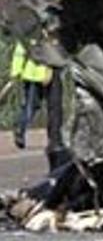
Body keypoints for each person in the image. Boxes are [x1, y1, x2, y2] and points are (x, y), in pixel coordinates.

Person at [9, 41, 65, 169]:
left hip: (49, 73)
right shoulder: (32, 32)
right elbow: (20, 52)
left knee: (53, 108)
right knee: (32, 106)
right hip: (35, 74)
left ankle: (55, 139)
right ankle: (20, 128)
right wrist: (15, 72)